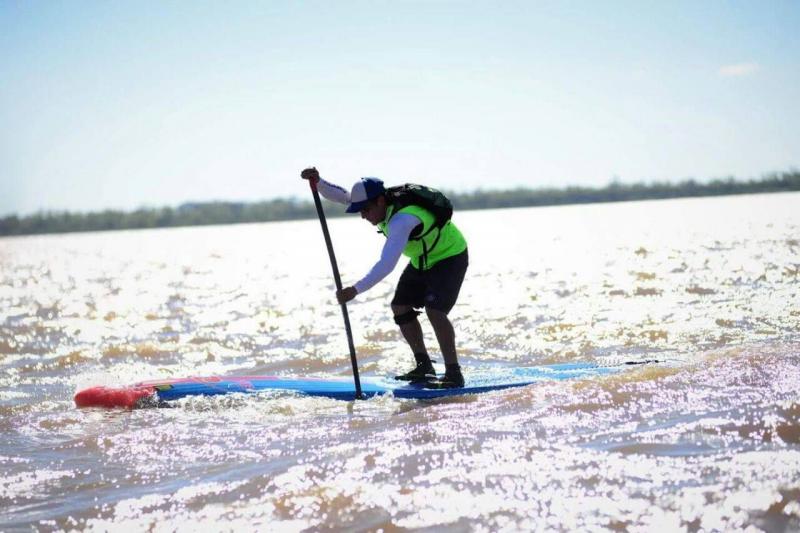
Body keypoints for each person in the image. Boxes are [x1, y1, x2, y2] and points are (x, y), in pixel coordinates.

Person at [301, 167, 468, 388]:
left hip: (449, 256)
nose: (363, 215)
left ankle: (454, 374)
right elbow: (342, 196)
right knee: (400, 306)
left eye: (366, 210)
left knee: (435, 312)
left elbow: (387, 264)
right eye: (359, 210)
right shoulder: (377, 204)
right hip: (422, 259)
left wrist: (355, 289)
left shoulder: (402, 220)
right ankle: (424, 367)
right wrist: (318, 181)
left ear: (381, 201)